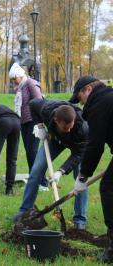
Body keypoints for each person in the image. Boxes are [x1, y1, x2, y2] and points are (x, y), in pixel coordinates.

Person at [12, 98, 89, 230]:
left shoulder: (83, 128)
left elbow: (79, 154)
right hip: (54, 140)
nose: (69, 129)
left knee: (81, 178)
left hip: (77, 146)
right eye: (65, 127)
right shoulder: (47, 110)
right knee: (36, 171)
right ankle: (24, 212)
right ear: (55, 120)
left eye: (71, 125)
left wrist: (61, 171)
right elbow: (33, 103)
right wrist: (39, 125)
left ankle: (79, 219)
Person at [69, 76, 113, 263]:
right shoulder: (109, 97)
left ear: (88, 89)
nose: (82, 103)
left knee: (109, 188)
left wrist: (82, 176)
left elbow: (95, 146)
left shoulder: (98, 104)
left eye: (80, 98)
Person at [9, 63, 49, 191]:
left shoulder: (31, 83)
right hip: (23, 123)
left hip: (33, 122)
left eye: (14, 78)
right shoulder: (20, 87)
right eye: (12, 79)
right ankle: (34, 181)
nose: (13, 81)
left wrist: (39, 124)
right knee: (29, 153)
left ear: (20, 75)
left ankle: (42, 183)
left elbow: (39, 102)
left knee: (33, 152)